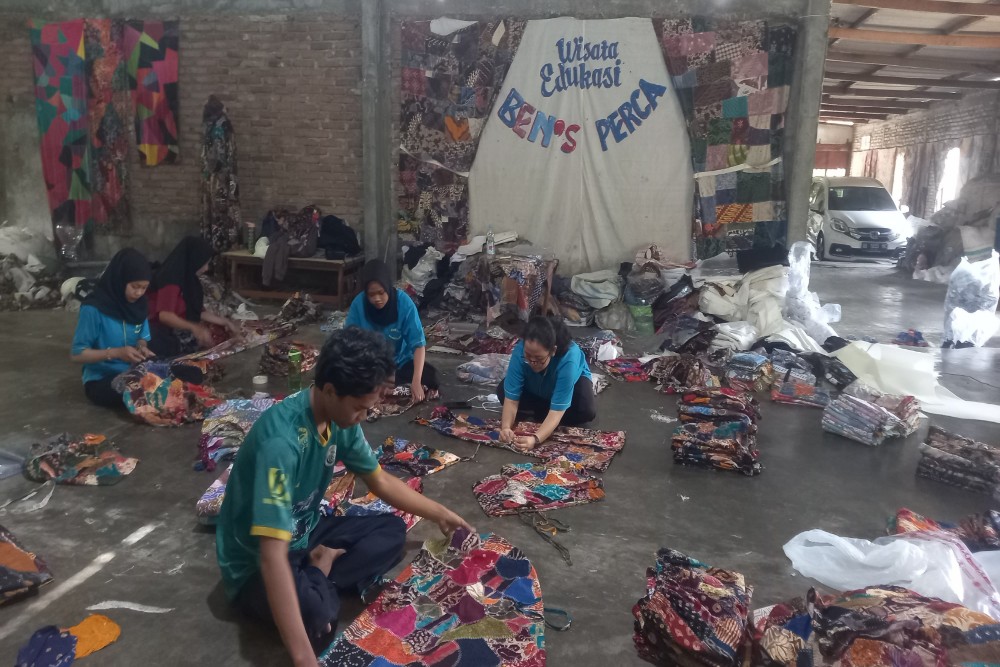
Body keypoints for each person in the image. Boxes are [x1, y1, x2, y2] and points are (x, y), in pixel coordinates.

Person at [216, 327, 470, 667]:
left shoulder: (341, 419)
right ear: (330, 390)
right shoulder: (282, 443)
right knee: (318, 624)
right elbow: (271, 556)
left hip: (304, 532)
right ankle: (319, 577)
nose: (363, 417)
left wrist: (440, 513)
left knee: (392, 531)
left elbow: (378, 479)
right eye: (359, 408)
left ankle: (317, 573)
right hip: (256, 562)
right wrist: (305, 659)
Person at [70, 248, 157, 407]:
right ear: (120, 280)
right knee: (141, 394)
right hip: (102, 378)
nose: (138, 293)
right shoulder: (93, 309)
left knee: (179, 378)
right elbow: (77, 354)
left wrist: (141, 347)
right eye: (135, 286)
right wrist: (115, 353)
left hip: (134, 371)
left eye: (144, 288)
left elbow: (142, 337)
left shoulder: (139, 305)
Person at [497, 316, 596, 450]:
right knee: (503, 391)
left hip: (567, 388)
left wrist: (535, 439)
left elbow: (557, 410)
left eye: (538, 358)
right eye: (528, 357)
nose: (532, 362)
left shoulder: (569, 359)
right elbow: (511, 398)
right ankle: (543, 413)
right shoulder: (520, 350)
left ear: (553, 351)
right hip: (537, 387)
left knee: (585, 410)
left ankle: (541, 414)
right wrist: (506, 428)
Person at [345, 259, 436, 402]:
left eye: (381, 293)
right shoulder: (359, 304)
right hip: (370, 364)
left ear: (388, 287)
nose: (377, 299)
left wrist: (416, 382)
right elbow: (348, 343)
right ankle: (384, 382)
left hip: (400, 363)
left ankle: (389, 382)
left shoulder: (404, 303)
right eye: (371, 294)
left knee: (429, 375)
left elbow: (418, 345)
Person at [147, 236, 240, 357]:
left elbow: (195, 311)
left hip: (175, 327)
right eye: (205, 263)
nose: (206, 268)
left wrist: (225, 322)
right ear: (194, 260)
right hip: (159, 331)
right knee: (196, 340)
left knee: (216, 331)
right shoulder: (170, 279)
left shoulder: (188, 279)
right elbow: (165, 316)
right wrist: (194, 328)